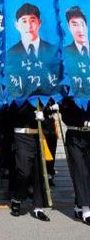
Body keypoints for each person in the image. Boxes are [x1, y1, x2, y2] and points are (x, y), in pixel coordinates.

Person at [9, 101, 52, 221]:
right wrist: (32, 114)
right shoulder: (19, 96)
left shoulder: (41, 99)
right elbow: (13, 112)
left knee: (40, 172)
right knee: (24, 171)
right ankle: (17, 198)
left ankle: (38, 207)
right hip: (22, 136)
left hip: (38, 136)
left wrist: (44, 117)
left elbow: (49, 122)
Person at [61, 96, 90, 225]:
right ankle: (86, 210)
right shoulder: (69, 95)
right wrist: (83, 122)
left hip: (88, 136)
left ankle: (79, 205)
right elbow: (65, 117)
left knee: (88, 172)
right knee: (80, 171)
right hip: (74, 136)